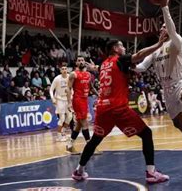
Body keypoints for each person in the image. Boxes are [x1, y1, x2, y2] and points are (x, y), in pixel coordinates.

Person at [71, 35, 169, 184]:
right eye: (122, 46)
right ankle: (151, 172)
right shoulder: (120, 59)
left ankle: (79, 170)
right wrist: (159, 44)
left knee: (95, 140)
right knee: (146, 134)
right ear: (115, 49)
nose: (124, 48)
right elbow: (139, 55)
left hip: (102, 109)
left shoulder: (104, 64)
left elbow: (107, 71)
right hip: (117, 108)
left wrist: (93, 68)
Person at [133, 0, 182, 160]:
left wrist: (164, 7)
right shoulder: (155, 50)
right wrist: (128, 66)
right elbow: (141, 67)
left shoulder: (176, 42)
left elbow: (171, 29)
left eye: (165, 27)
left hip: (181, 81)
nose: (163, 29)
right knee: (177, 123)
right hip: (167, 88)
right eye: (161, 28)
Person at [65, 56, 94, 153]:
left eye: (82, 60)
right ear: (76, 63)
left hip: (85, 100)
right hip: (77, 100)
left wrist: (100, 95)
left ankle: (69, 144)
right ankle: (90, 146)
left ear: (85, 62)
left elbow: (91, 87)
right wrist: (69, 102)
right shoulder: (73, 74)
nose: (81, 62)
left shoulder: (88, 74)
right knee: (85, 122)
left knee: (78, 125)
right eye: (79, 60)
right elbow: (68, 89)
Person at [50, 64, 73, 142]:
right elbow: (51, 90)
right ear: (60, 71)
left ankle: (63, 131)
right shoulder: (57, 79)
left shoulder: (70, 77)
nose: (64, 70)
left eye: (65, 68)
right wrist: (53, 98)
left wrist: (72, 97)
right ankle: (59, 136)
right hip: (59, 99)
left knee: (70, 117)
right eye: (62, 69)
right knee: (62, 118)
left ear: (67, 70)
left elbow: (72, 88)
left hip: (67, 99)